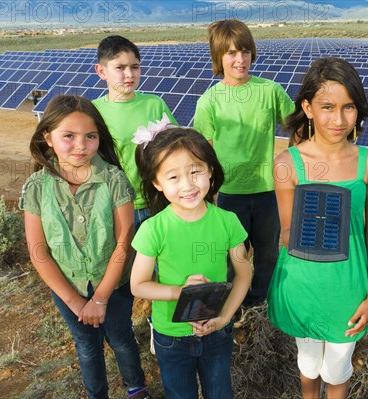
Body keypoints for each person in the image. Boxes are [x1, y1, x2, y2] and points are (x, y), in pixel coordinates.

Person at [267, 57, 368, 399]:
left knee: (337, 367)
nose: (338, 119)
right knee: (307, 363)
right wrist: (317, 220)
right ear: (307, 107)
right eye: (327, 107)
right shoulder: (287, 165)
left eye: (349, 107)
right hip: (302, 285)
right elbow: (287, 233)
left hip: (347, 288)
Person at [19, 95, 150, 399]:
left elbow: (123, 243)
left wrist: (101, 298)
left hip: (113, 284)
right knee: (87, 345)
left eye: (90, 137)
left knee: (120, 337)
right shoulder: (37, 187)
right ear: (46, 137)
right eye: (69, 136)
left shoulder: (114, 180)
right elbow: (39, 251)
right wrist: (76, 302)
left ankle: (136, 388)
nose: (81, 145)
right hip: (68, 287)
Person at [130, 125, 252, 399]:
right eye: (174, 176)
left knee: (220, 393)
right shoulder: (153, 229)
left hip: (216, 332)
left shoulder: (227, 222)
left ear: (210, 169)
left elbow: (244, 274)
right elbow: (138, 285)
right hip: (171, 336)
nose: (187, 185)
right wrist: (179, 292)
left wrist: (224, 318)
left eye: (195, 171)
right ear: (158, 183)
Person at [193, 19, 294, 307]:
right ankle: (231, 309)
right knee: (232, 256)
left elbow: (297, 127)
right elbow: (204, 153)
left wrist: (290, 161)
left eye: (245, 51)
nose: (240, 59)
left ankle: (262, 307)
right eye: (232, 53)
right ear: (219, 57)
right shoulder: (209, 101)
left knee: (268, 254)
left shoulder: (271, 91)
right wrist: (207, 196)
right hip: (229, 195)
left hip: (267, 192)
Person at [93, 34, 177, 231]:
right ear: (101, 71)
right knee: (124, 260)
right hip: (114, 206)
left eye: (135, 67)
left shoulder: (155, 104)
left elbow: (175, 149)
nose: (129, 74)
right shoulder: (92, 112)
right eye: (120, 68)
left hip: (156, 203)